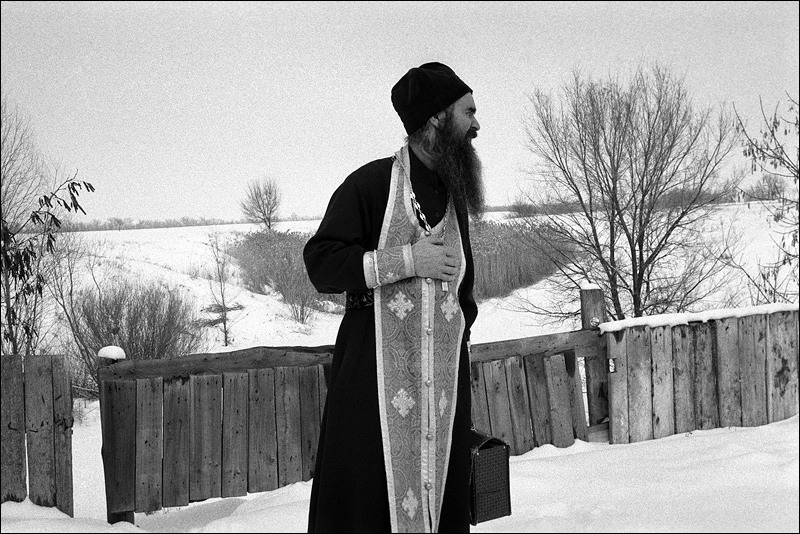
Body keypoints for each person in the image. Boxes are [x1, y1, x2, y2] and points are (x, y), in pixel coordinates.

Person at [303, 61, 484, 533]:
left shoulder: (452, 195)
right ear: (436, 119)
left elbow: (464, 296)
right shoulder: (370, 184)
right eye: (468, 112)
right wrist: (406, 261)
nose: (477, 125)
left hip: (442, 398)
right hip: (372, 389)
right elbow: (321, 263)